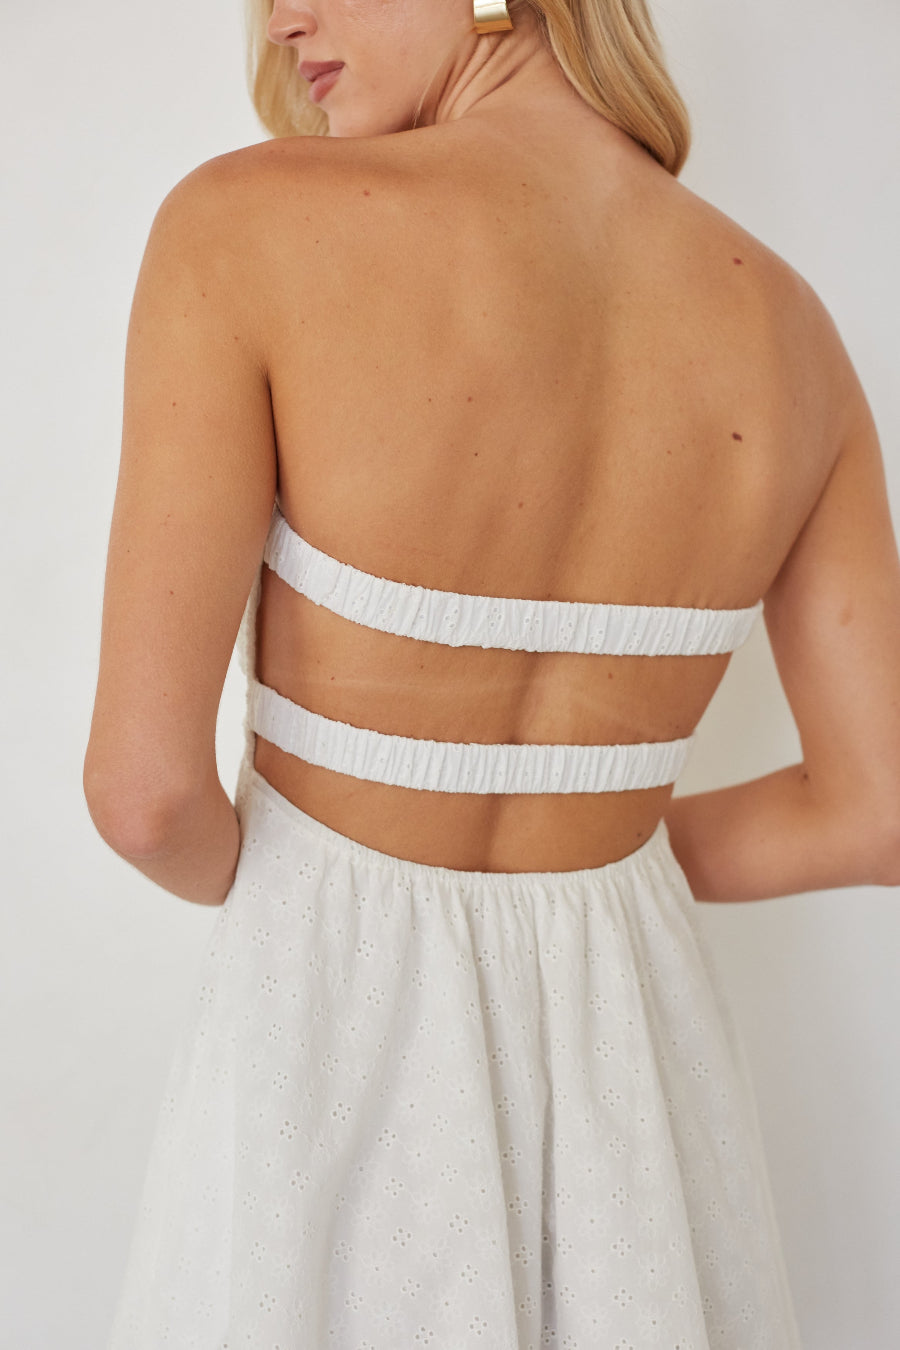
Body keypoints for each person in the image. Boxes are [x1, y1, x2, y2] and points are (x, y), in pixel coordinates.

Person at [83, 0, 900, 1345]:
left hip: (326, 1056)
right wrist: (590, 844)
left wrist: (337, 885)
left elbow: (144, 795)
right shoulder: (795, 332)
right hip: (637, 1069)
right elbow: (874, 809)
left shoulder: (246, 231)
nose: (282, 21)